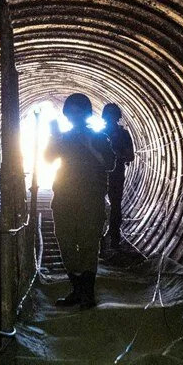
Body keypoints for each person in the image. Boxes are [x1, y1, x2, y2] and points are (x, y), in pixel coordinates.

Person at [45, 94, 116, 309]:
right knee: (65, 242)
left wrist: (91, 146)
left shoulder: (99, 137)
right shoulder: (63, 137)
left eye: (78, 111)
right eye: (71, 111)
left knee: (87, 244)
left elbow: (110, 164)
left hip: (91, 198)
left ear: (86, 114)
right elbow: (48, 158)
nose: (74, 116)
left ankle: (88, 293)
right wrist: (54, 138)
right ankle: (77, 290)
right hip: (64, 197)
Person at [102, 103, 135, 249]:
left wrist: (116, 155)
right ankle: (111, 238)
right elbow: (130, 156)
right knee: (114, 206)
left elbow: (130, 156)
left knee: (111, 206)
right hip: (110, 175)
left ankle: (109, 238)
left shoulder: (102, 134)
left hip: (106, 175)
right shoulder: (121, 134)